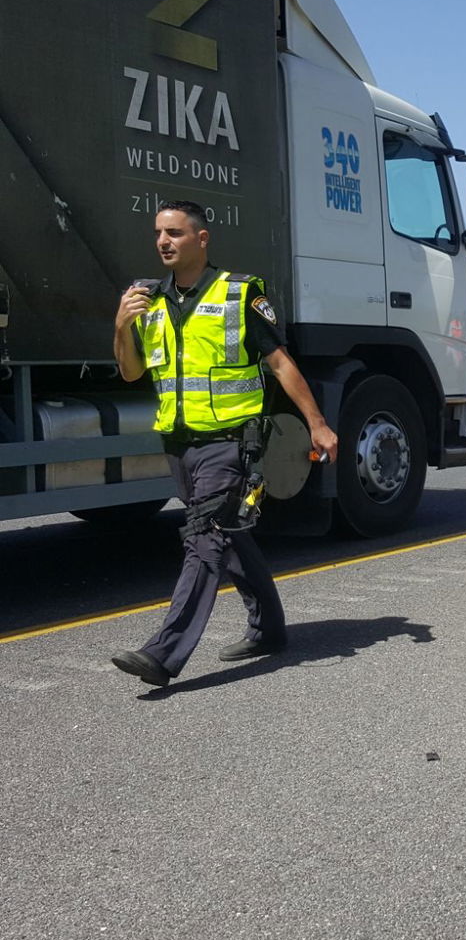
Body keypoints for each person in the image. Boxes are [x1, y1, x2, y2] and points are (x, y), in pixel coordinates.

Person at [108, 200, 338, 689]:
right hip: (178, 443)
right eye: (158, 234)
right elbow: (131, 371)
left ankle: (163, 653)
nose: (163, 242)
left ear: (201, 238)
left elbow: (279, 362)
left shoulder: (238, 294)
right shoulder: (146, 300)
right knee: (227, 533)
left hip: (229, 441)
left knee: (204, 539)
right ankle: (269, 629)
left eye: (174, 232)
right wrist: (121, 326)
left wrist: (317, 423)